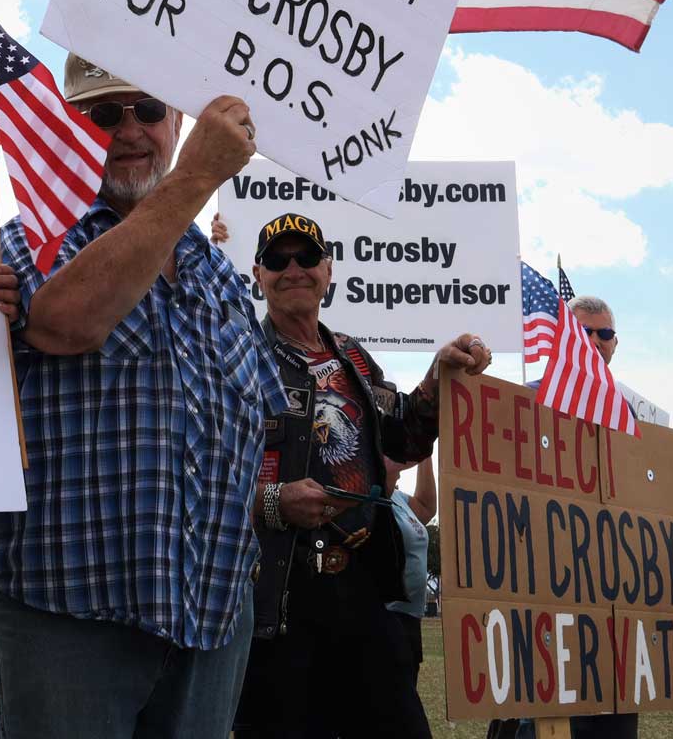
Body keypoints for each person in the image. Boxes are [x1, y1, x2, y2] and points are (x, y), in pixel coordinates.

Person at [0, 56, 279, 739]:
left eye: (147, 110)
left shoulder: (221, 277)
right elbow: (67, 321)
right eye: (104, 114)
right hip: (68, 609)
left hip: (211, 611)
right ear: (69, 127)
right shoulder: (27, 241)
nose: (129, 129)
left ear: (176, 121)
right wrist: (199, 175)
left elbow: (253, 424)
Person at [231, 211, 489, 738]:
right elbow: (204, 472)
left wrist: (438, 378)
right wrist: (274, 501)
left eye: (306, 257)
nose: (293, 268)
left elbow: (403, 438)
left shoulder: (352, 357)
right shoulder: (238, 357)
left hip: (364, 589)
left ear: (328, 270)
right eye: (277, 260)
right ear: (258, 276)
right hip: (281, 602)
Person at [490, 292, 630, 739]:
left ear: (615, 343)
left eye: (603, 333)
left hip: (614, 598)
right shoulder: (529, 401)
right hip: (546, 594)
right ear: (563, 338)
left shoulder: (628, 415)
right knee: (548, 714)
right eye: (583, 331)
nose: (594, 340)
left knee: (613, 717)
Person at [386, 453, 437, 694]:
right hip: (386, 621)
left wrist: (425, 448)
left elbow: (426, 507)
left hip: (409, 622)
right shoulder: (373, 494)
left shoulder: (400, 499)